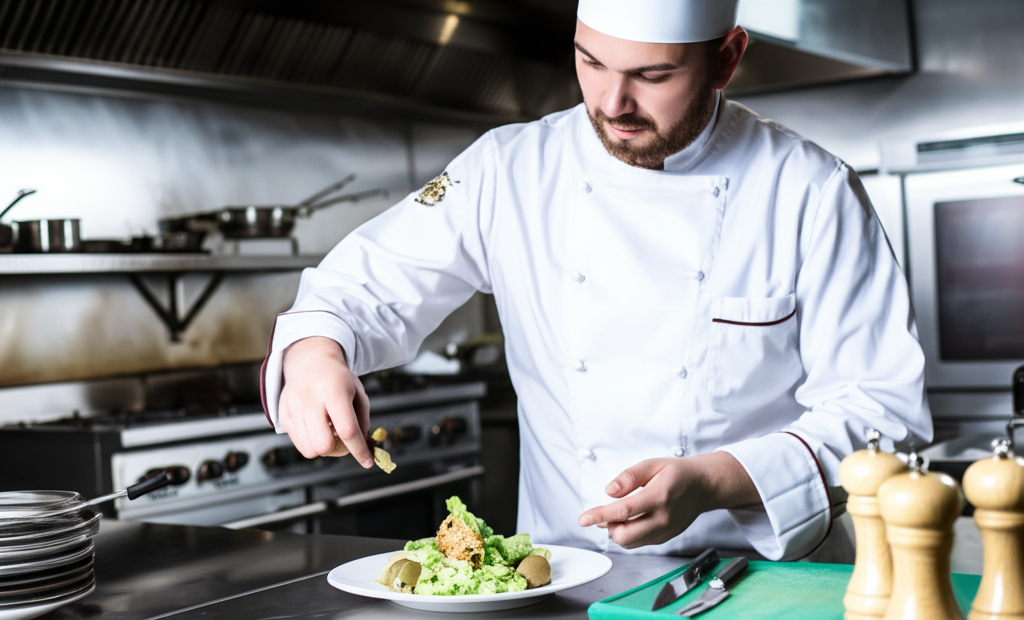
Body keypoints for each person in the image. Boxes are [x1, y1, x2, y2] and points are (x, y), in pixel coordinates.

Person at [260, 0, 932, 561]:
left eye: (653, 73)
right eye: (590, 62)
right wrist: (317, 351)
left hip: (759, 582)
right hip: (567, 576)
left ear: (727, 57)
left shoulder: (811, 191)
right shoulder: (509, 170)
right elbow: (366, 285)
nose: (613, 102)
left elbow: (884, 415)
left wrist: (717, 481)